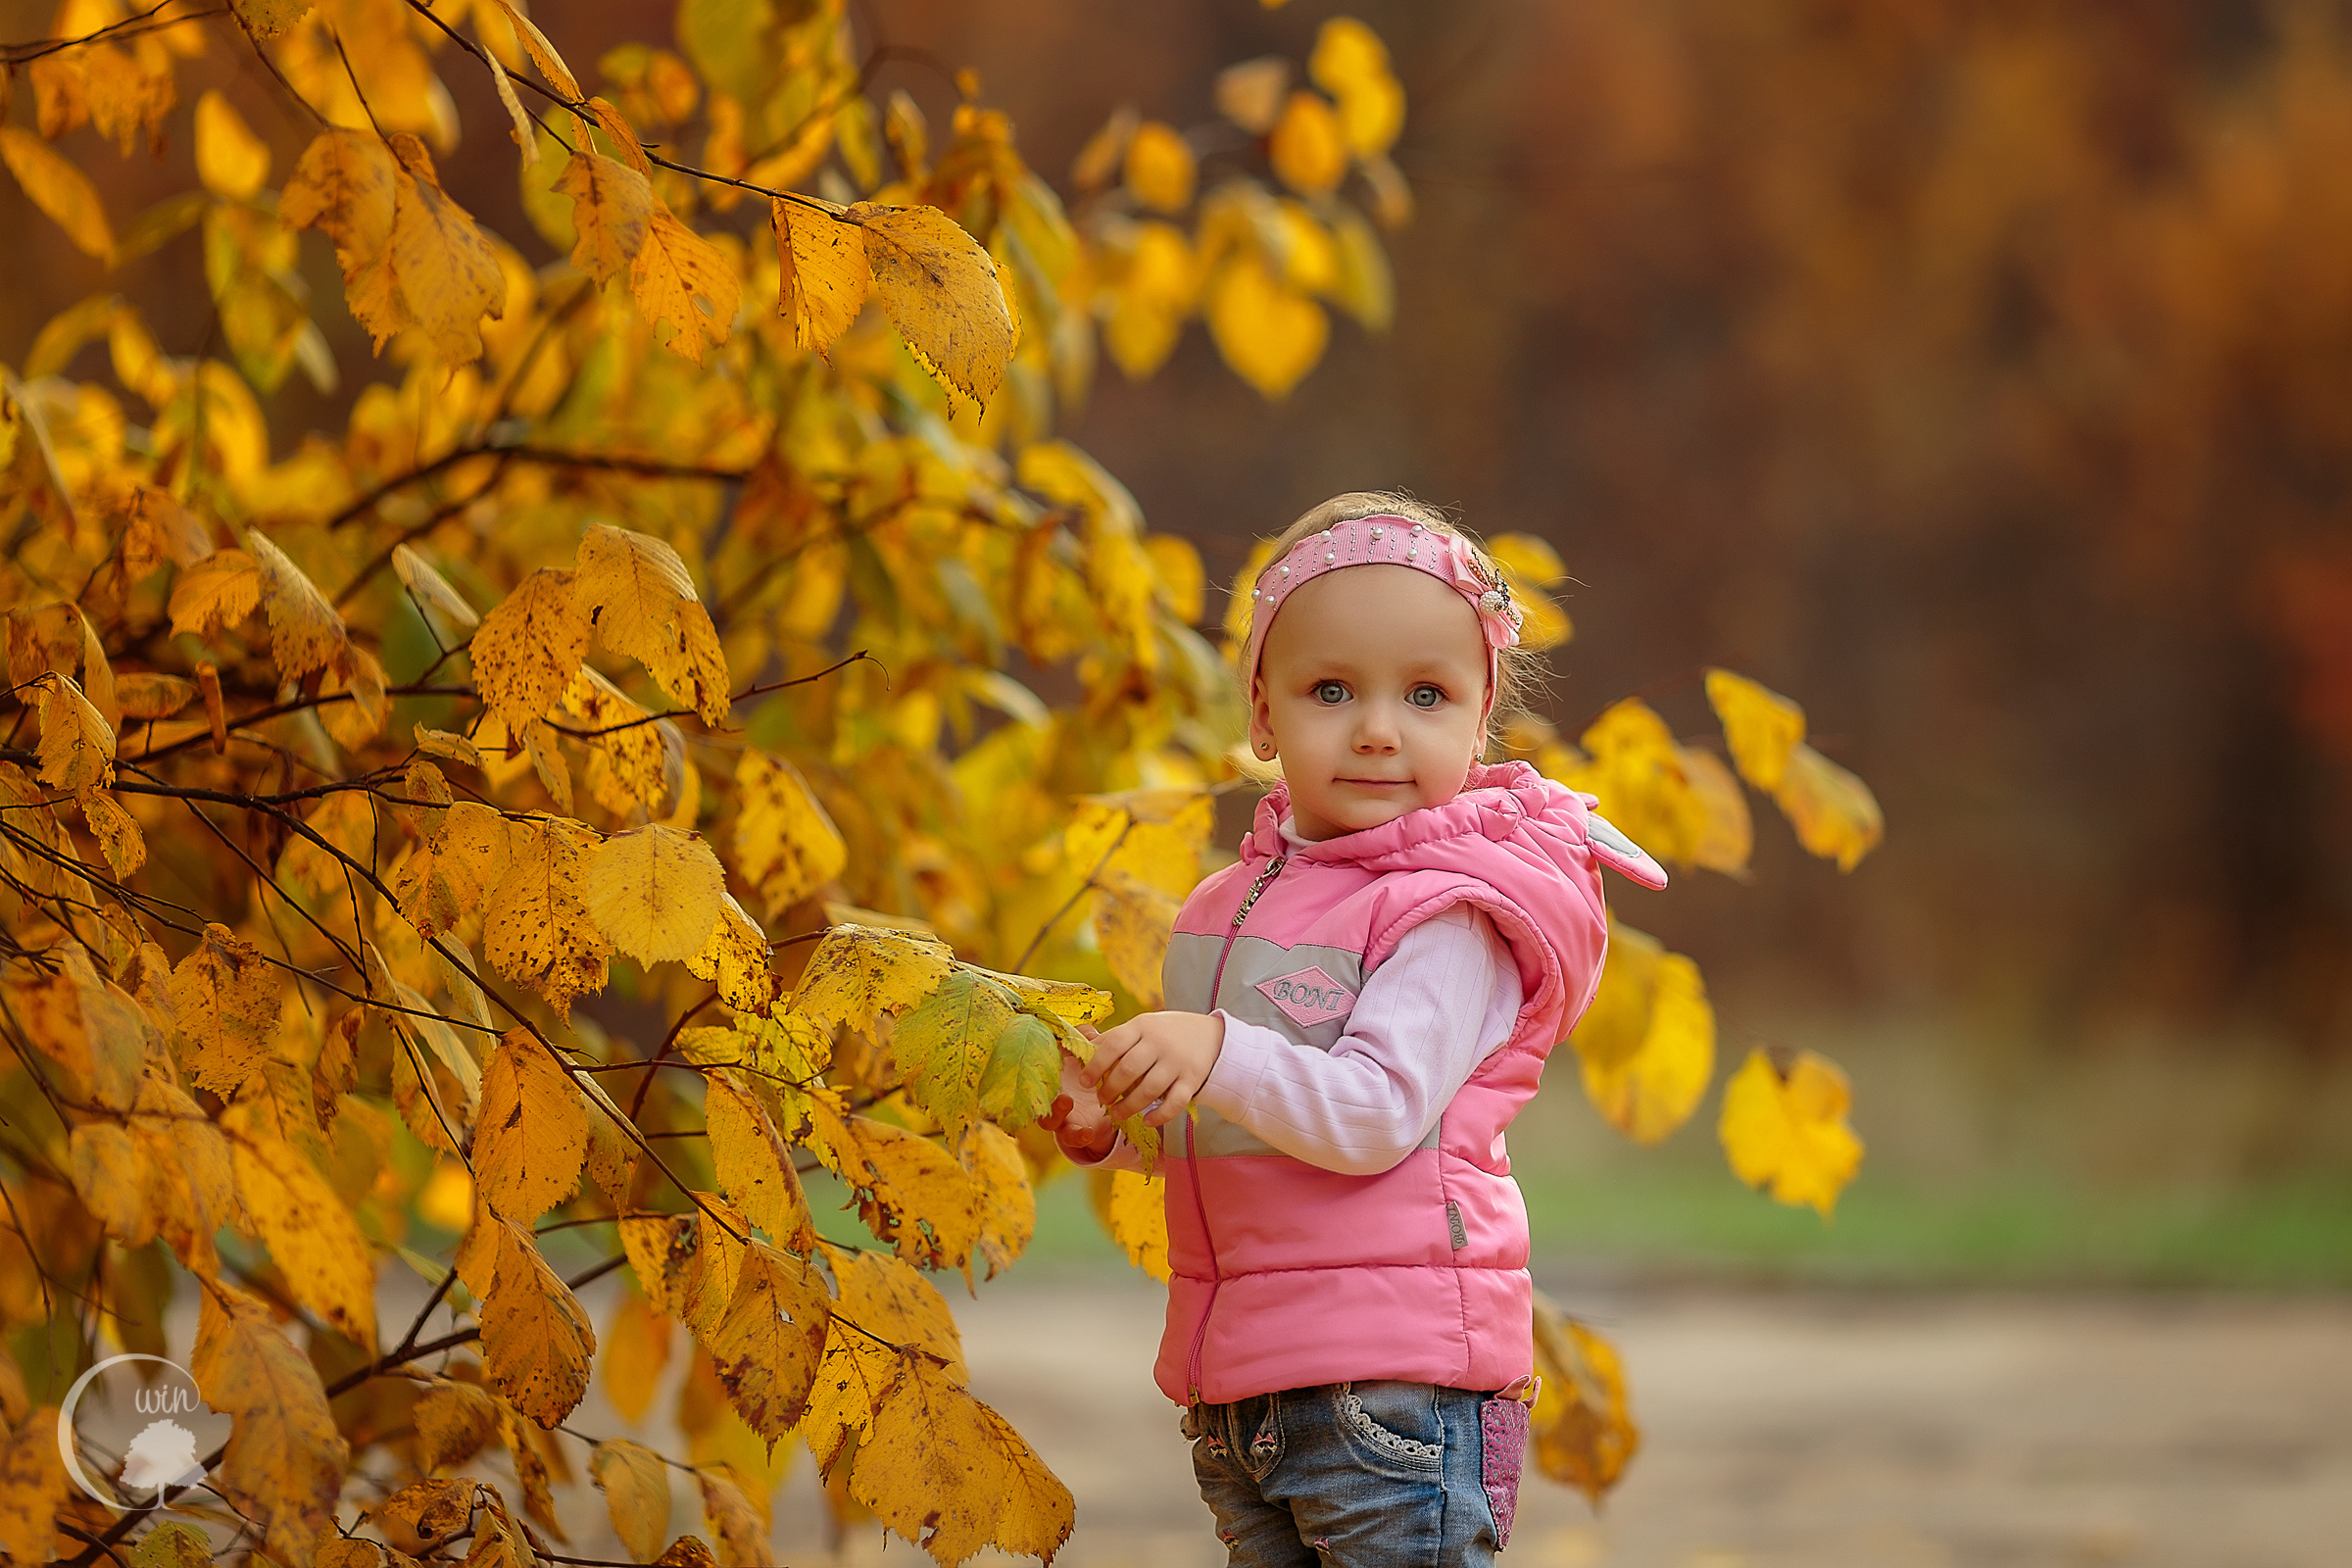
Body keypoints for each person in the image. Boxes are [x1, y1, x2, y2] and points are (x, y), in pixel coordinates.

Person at [1041, 492, 1667, 1565]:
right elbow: (1238, 1125)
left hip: (1393, 1394)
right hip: (1247, 1386)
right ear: (1262, 715)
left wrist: (1214, 1049)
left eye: (1425, 693)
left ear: (1478, 723)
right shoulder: (1221, 909)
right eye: (1332, 689)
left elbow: (1373, 1113)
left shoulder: (1447, 912)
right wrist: (1124, 1114)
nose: (1378, 726)